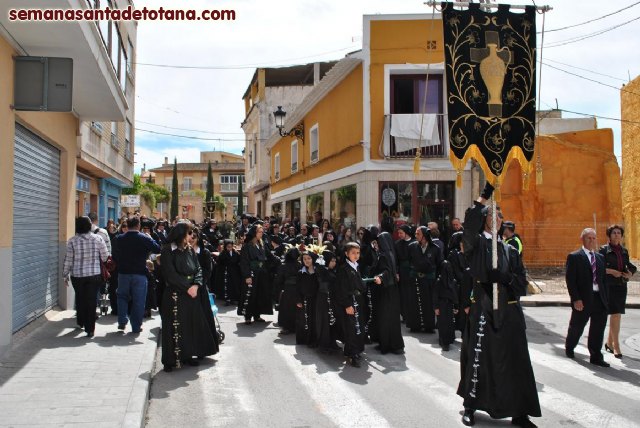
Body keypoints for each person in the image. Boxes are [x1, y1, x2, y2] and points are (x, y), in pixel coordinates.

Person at [458, 183, 540, 428]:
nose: (496, 219)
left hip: (509, 311)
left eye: (499, 216)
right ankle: (471, 406)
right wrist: (484, 197)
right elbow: (469, 225)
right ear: (484, 219)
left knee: (516, 361)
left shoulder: (509, 250)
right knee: (479, 357)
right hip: (484, 306)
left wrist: (506, 279)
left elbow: (522, 282)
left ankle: (519, 411)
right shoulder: (476, 244)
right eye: (492, 215)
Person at [159, 222, 219, 372]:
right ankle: (170, 360)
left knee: (190, 326)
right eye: (189, 233)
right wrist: (187, 288)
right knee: (173, 327)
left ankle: (188, 355)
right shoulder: (167, 251)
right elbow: (170, 275)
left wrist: (196, 285)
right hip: (175, 295)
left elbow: (198, 269)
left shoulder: (190, 250)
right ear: (181, 234)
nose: (191, 236)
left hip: (191, 294)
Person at [564, 227, 610, 368]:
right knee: (577, 326)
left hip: (599, 299)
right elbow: (570, 280)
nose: (591, 241)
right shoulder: (575, 257)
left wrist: (606, 299)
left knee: (598, 329)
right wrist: (576, 299)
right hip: (583, 299)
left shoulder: (600, 258)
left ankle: (596, 356)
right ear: (582, 239)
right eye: (588, 238)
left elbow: (602, 280)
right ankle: (570, 347)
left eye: (593, 238)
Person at [62, 216, 109, 337]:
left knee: (80, 298)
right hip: (94, 274)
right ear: (89, 226)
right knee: (91, 300)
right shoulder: (98, 238)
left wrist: (65, 275)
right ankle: (90, 329)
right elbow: (105, 257)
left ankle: (81, 321)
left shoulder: (72, 241)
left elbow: (68, 259)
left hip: (77, 276)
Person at [114, 216, 161, 333]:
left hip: (123, 272)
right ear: (138, 225)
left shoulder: (119, 238)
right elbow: (157, 249)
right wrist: (150, 238)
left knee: (122, 297)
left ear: (127, 225)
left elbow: (114, 255)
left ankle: (122, 321)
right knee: (139, 300)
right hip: (140, 273)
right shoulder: (144, 238)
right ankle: (136, 326)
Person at [600, 225, 636, 359]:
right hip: (608, 286)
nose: (616, 235)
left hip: (621, 285)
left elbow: (631, 267)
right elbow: (598, 267)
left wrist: (629, 273)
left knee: (616, 314)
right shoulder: (603, 250)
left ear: (621, 236)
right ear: (609, 236)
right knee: (615, 314)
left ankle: (609, 343)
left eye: (619, 233)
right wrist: (611, 271)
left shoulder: (624, 251)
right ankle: (616, 346)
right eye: (614, 233)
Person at [334, 242, 366, 368]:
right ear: (346, 254)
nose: (356, 255)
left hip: (358, 300)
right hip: (350, 301)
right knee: (351, 328)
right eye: (353, 253)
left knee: (359, 327)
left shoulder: (356, 266)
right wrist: (347, 305)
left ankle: (357, 350)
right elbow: (341, 289)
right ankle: (352, 354)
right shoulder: (343, 269)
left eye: (358, 253)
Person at [373, 232, 404, 355]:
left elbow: (386, 271)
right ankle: (394, 345)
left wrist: (380, 277)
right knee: (392, 318)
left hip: (386, 290)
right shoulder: (391, 253)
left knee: (385, 317)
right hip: (392, 290)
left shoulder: (384, 255)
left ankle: (386, 345)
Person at [406, 226, 441, 333]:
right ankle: (414, 325)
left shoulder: (435, 248)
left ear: (424, 236)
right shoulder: (412, 246)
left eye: (418, 234)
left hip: (429, 280)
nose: (415, 236)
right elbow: (408, 262)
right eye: (415, 234)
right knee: (414, 302)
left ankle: (429, 325)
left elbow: (439, 265)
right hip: (415, 278)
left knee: (429, 303)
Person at [238, 224, 275, 324]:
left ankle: (257, 315)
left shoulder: (262, 244)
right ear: (254, 233)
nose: (262, 233)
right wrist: (247, 276)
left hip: (261, 273)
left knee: (260, 294)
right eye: (260, 232)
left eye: (262, 232)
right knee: (250, 294)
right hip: (252, 273)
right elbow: (244, 262)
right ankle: (248, 316)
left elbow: (270, 255)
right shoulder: (247, 246)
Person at [315, 251, 342, 352]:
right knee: (324, 321)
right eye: (332, 261)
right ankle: (324, 344)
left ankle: (332, 342)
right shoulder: (320, 270)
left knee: (333, 321)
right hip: (323, 298)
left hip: (333, 298)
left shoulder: (332, 271)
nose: (334, 263)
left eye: (335, 261)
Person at [275, 248, 301, 335]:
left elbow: (278, 280)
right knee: (297, 308)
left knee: (286, 308)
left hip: (287, 289)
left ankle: (286, 327)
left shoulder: (283, 266)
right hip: (298, 289)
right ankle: (296, 326)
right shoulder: (300, 265)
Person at [296, 252, 319, 347]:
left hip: (316, 299)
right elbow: (297, 287)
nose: (306, 261)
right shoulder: (301, 272)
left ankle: (314, 340)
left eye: (309, 258)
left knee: (314, 320)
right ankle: (304, 339)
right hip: (304, 299)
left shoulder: (317, 271)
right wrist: (298, 300)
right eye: (304, 259)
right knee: (304, 320)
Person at [394, 224, 414, 321]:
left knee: (411, 293)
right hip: (402, 272)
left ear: (406, 233)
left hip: (412, 271)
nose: (399, 235)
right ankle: (404, 315)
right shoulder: (397, 244)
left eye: (401, 233)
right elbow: (396, 260)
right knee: (403, 294)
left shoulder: (414, 243)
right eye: (398, 233)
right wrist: (397, 272)